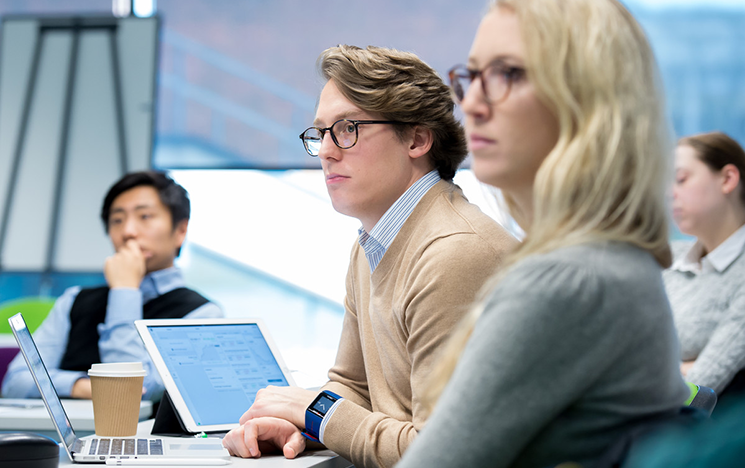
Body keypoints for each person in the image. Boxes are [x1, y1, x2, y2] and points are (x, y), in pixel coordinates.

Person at [396, 1, 690, 467]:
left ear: (589, 97)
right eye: (472, 77)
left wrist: (322, 417)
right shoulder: (612, 260)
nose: (470, 103)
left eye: (508, 73)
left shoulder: (567, 280)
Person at [221, 45, 517, 467]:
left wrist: (315, 413)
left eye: (346, 129)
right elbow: (353, 387)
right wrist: (301, 428)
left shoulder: (455, 252)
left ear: (416, 139)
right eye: (320, 132)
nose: (325, 150)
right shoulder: (372, 244)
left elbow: (444, 453)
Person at [2, 171, 222, 401]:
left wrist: (125, 292)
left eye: (145, 216)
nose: (128, 232)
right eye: (117, 220)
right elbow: (16, 381)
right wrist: (86, 387)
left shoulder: (202, 314)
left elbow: (136, 391)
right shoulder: (74, 299)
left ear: (180, 231)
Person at [664, 131, 745, 397]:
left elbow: (698, 394)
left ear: (728, 179)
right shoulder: (668, 257)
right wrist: (682, 369)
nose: (669, 193)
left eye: (680, 180)